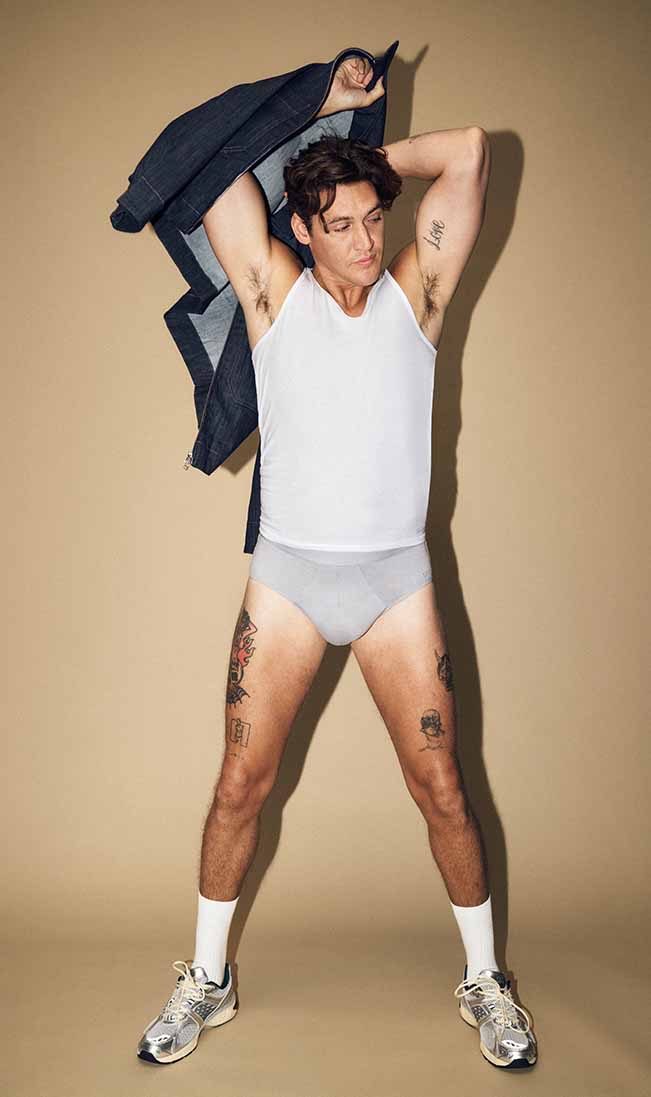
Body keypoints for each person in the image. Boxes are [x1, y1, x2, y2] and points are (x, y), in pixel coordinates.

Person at [137, 55, 537, 1070]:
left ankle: (485, 979)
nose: (365, 241)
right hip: (290, 582)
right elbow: (202, 164)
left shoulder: (417, 294)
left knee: (441, 787)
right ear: (301, 230)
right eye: (341, 224)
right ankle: (207, 978)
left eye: (372, 219)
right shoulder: (273, 293)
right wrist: (319, 105)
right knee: (239, 784)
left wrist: (360, 157)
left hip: (395, 585)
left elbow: (469, 152)